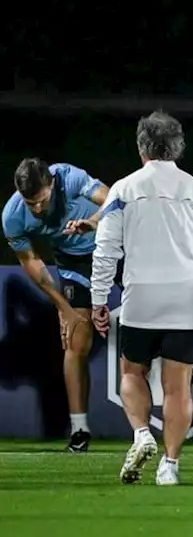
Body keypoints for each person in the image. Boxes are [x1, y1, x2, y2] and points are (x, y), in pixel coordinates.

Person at [90, 111, 193, 486]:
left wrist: (98, 298)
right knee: (178, 386)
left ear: (142, 148)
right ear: (178, 147)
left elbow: (105, 249)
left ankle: (142, 434)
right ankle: (170, 465)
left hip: (142, 298)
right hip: (186, 300)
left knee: (131, 372)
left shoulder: (123, 190)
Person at [3, 159, 111, 451]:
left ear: (51, 184)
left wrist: (93, 222)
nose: (37, 209)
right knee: (76, 341)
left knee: (147, 324)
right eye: (30, 203)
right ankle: (79, 431)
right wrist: (64, 308)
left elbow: (113, 198)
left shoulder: (69, 177)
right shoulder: (12, 216)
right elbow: (32, 263)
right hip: (72, 262)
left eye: (42, 201)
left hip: (114, 247)